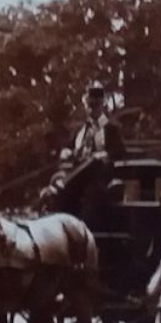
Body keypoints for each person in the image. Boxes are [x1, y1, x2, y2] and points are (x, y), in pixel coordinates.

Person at [42, 83, 123, 228]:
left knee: (93, 162)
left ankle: (63, 185)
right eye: (89, 105)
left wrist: (105, 154)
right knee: (62, 181)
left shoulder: (111, 128)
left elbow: (120, 151)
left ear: (102, 106)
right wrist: (66, 150)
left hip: (100, 174)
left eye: (95, 105)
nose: (92, 109)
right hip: (78, 172)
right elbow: (70, 146)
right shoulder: (81, 129)